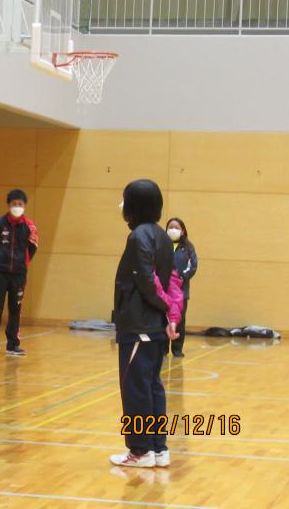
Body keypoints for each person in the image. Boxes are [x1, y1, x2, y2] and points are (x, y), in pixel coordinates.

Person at [110, 180, 180, 467]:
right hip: (153, 326)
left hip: (140, 326)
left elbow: (147, 280)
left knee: (136, 389)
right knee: (152, 387)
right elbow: (172, 281)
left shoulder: (139, 236)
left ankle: (140, 451)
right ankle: (158, 448)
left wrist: (167, 308)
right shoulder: (162, 236)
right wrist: (170, 315)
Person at [0, 189, 38, 357]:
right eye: (14, 204)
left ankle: (13, 345)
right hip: (0, 273)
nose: (17, 207)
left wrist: (22, 262)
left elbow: (32, 248)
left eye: (20, 204)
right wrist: (0, 260)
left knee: (15, 309)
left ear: (24, 206)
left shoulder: (30, 227)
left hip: (19, 275)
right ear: (8, 205)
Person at [165, 217, 197, 357]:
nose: (173, 230)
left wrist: (182, 277)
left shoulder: (188, 248)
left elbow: (193, 266)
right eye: (170, 227)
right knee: (163, 320)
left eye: (176, 228)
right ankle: (163, 349)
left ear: (182, 231)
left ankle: (177, 350)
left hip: (181, 290)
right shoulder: (161, 245)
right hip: (164, 290)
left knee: (179, 321)